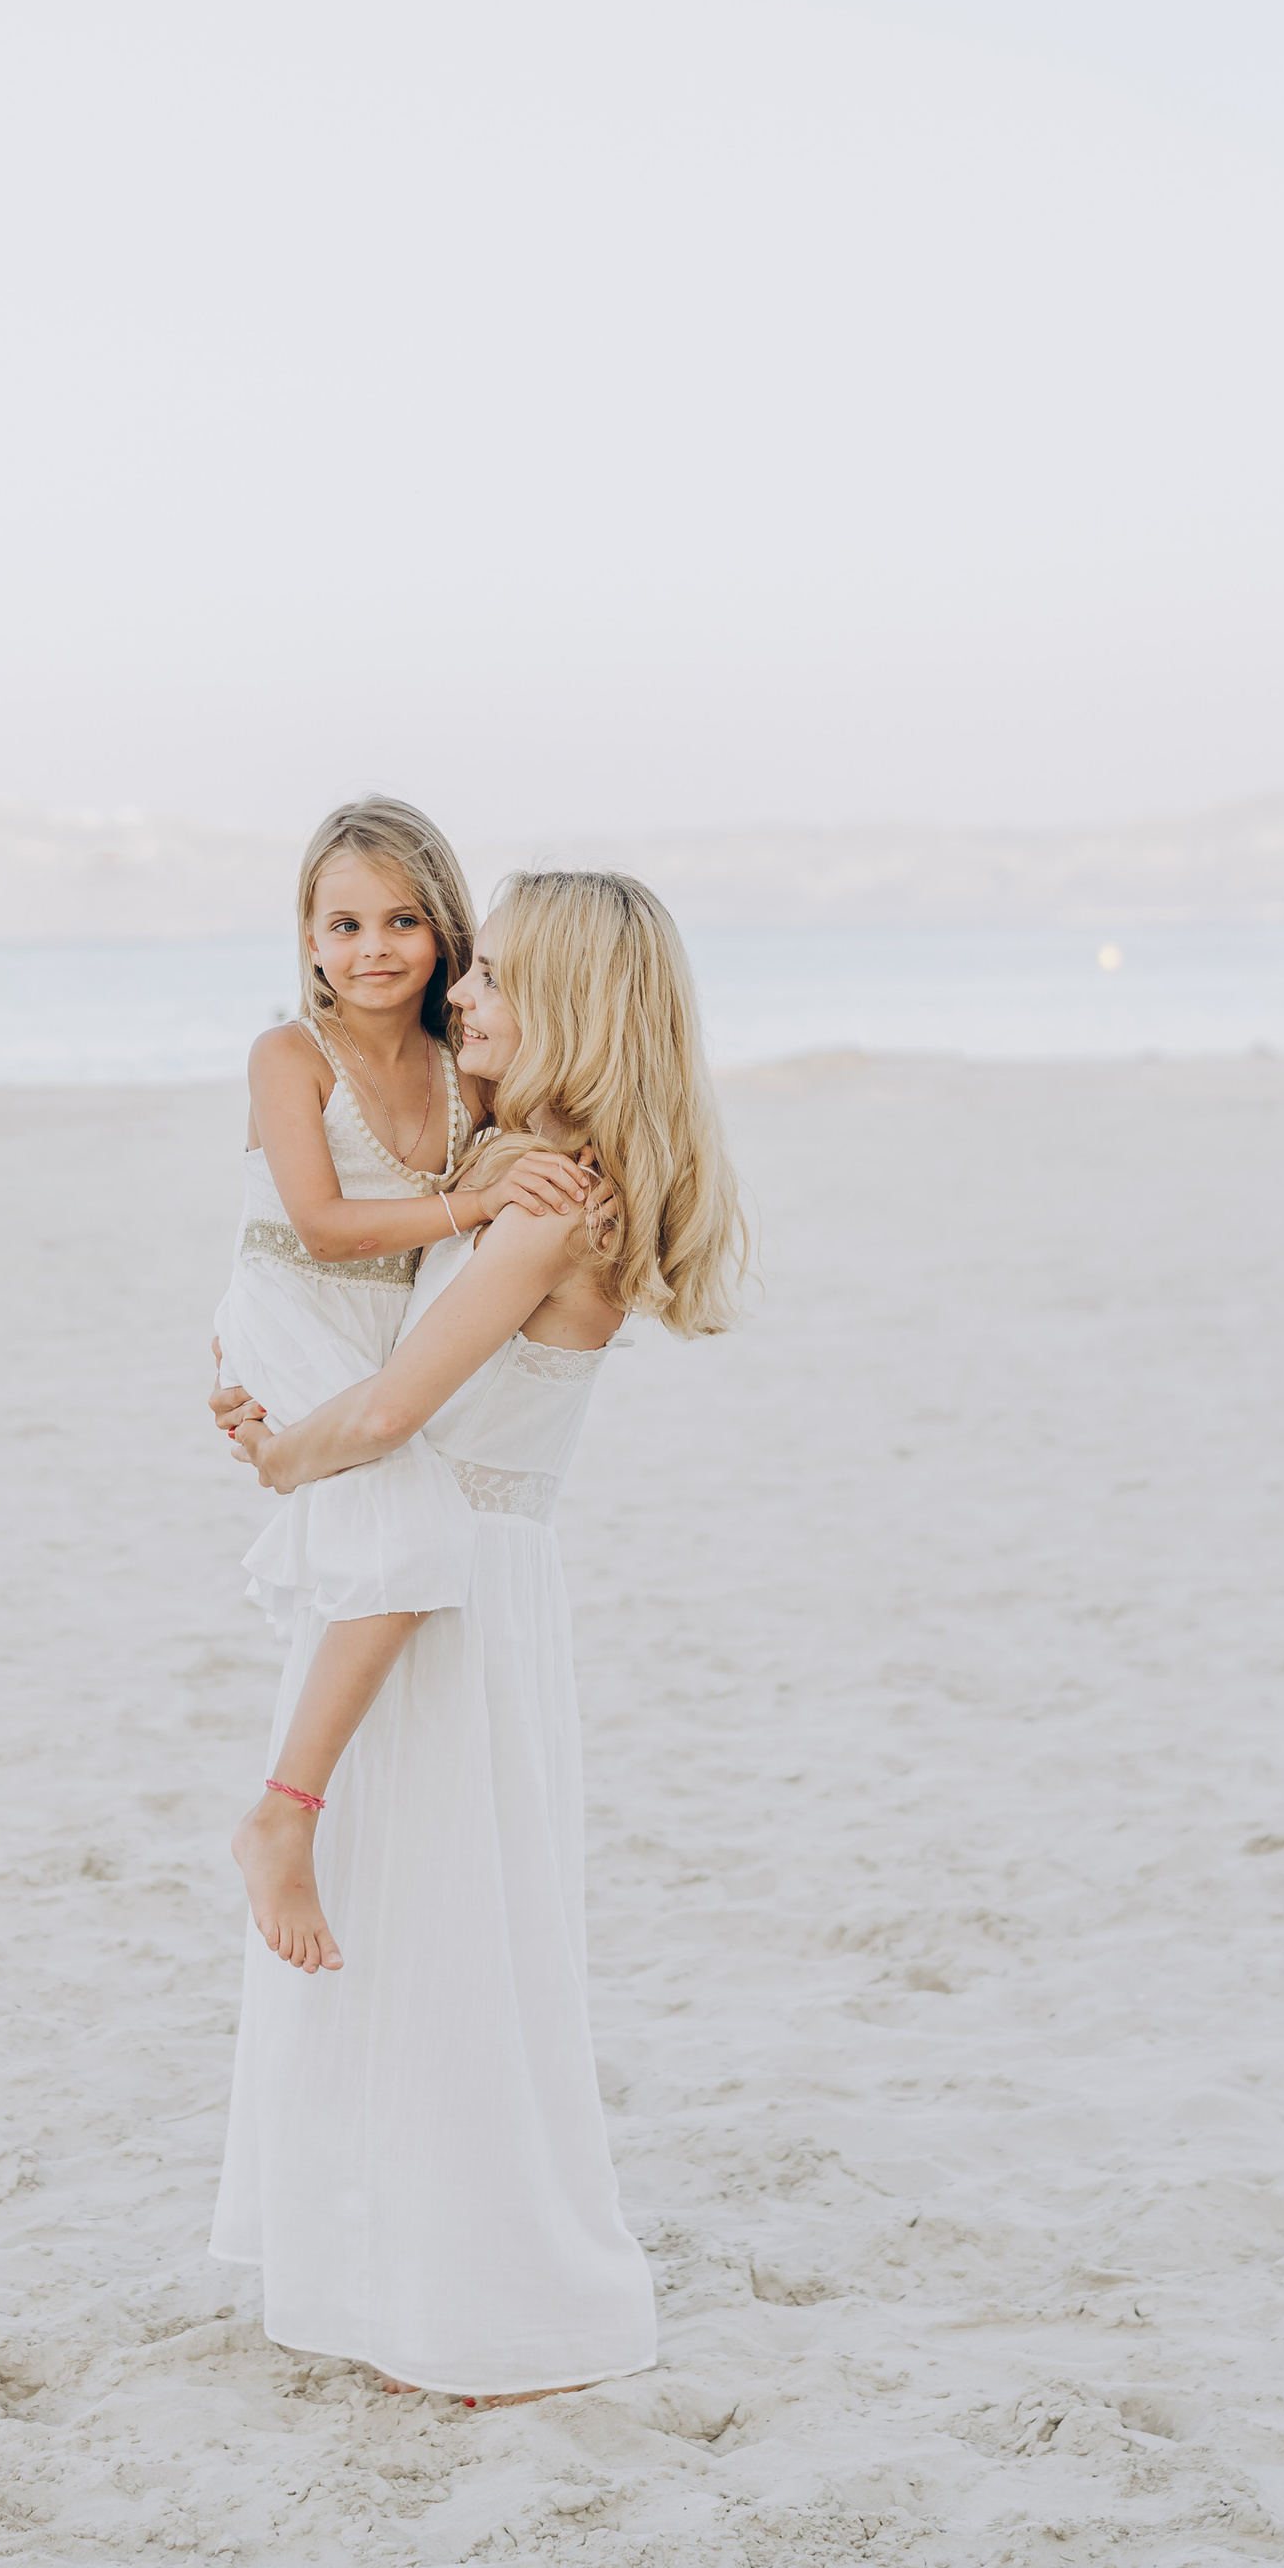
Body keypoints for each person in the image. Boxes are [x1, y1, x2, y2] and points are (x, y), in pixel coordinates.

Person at [209, 870, 747, 2403]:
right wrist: (271, 1393)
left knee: (443, 1954)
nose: (461, 996)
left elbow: (394, 1409)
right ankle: (396, 2279)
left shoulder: (554, 1202)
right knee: (403, 1945)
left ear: (578, 1007)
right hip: (429, 1575)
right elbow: (353, 1335)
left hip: (455, 1595)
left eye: (496, 977)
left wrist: (282, 1452)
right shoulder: (514, 1166)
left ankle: (487, 2305)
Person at [212, 799, 595, 1627]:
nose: (374, 947)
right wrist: (479, 1202)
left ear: (442, 930)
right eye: (344, 925)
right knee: (404, 1532)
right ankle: (299, 1763)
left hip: (391, 1325)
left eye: (402, 920)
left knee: (396, 1528)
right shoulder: (289, 1057)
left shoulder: (468, 1070)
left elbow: (551, 1111)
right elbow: (319, 1226)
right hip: (294, 1306)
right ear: (311, 942)